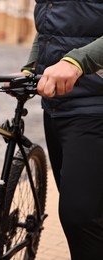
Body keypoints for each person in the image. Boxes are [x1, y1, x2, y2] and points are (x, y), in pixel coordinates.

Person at [22, 1, 103, 259]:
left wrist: (78, 60)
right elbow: (50, 27)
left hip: (95, 107)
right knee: (83, 219)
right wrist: (31, 66)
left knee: (80, 218)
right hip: (56, 109)